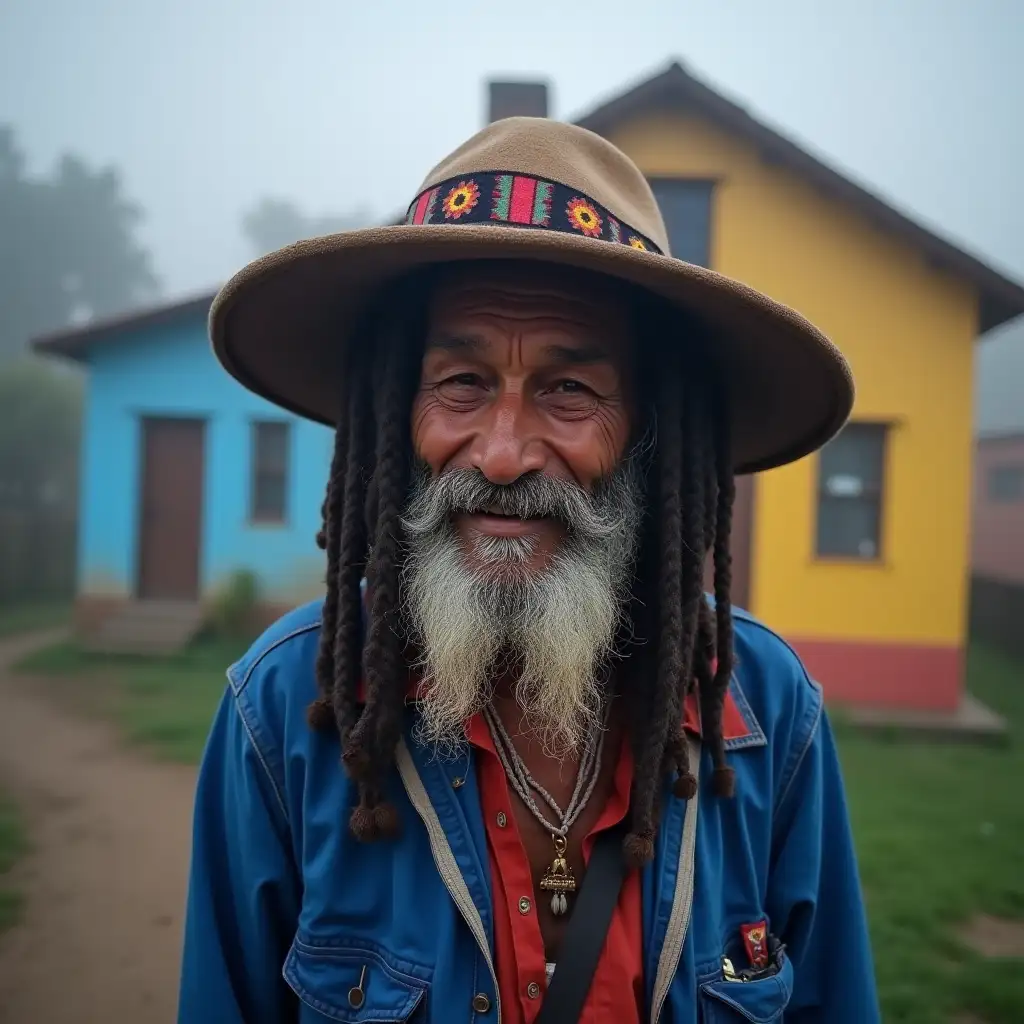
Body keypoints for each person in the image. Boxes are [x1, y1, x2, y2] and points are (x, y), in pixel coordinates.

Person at [179, 116, 880, 1023]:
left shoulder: (763, 707)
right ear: (399, 417)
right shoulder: (284, 711)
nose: (503, 454)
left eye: (569, 390)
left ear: (650, 436)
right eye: (461, 382)